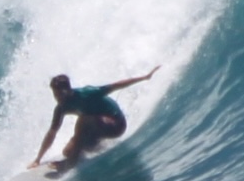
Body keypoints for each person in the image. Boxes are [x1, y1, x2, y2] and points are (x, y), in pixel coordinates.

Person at [28, 68, 156, 173]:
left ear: (67, 90)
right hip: (98, 129)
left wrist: (145, 77)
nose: (57, 98)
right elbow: (52, 133)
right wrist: (38, 159)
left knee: (84, 119)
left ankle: (70, 164)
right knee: (67, 151)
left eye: (59, 94)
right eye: (54, 94)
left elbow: (116, 85)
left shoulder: (88, 93)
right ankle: (83, 152)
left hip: (116, 124)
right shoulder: (61, 108)